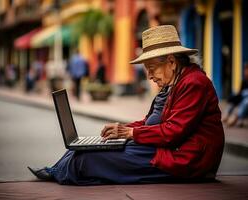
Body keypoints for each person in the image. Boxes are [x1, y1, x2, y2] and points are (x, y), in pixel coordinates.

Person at [28, 25, 224, 185]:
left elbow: (173, 132)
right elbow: (151, 122)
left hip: (184, 158)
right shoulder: (175, 83)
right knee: (81, 148)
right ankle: (55, 170)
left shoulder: (194, 83)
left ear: (171, 62)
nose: (149, 76)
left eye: (152, 69)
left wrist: (129, 134)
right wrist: (124, 129)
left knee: (87, 158)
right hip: (168, 148)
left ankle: (60, 173)